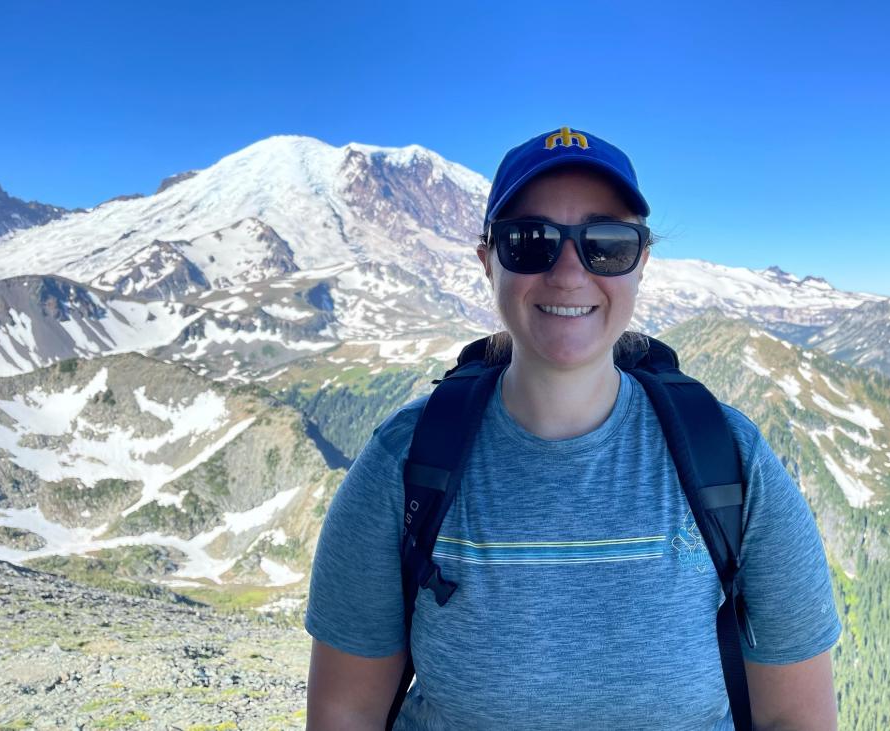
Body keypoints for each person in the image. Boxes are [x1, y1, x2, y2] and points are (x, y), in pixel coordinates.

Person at [304, 126, 841, 730]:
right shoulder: (404, 464)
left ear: (641, 263)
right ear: (488, 261)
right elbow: (345, 713)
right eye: (529, 241)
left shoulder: (733, 462)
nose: (567, 273)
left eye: (606, 244)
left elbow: (797, 718)